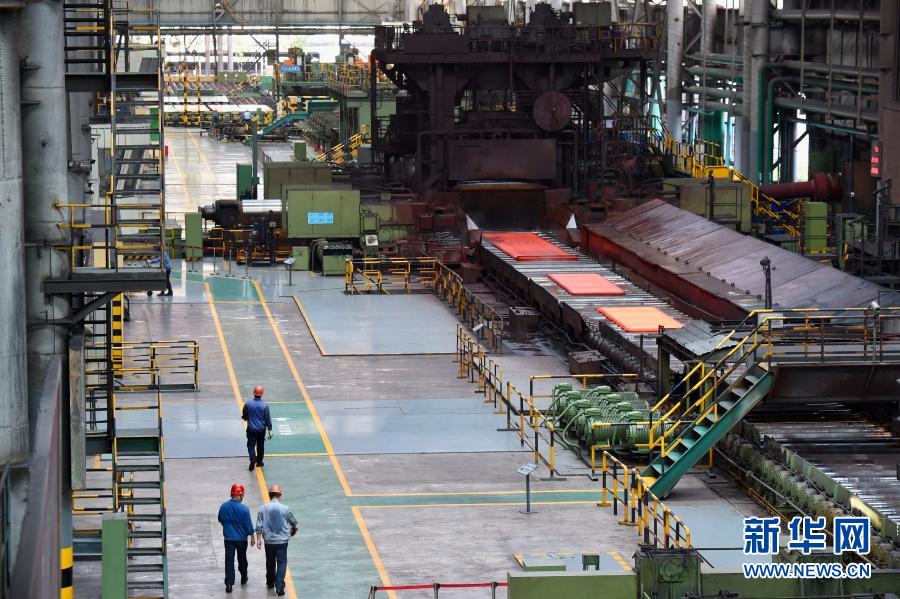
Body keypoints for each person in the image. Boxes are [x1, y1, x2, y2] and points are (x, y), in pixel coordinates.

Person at [255, 485, 298, 596]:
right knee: (282, 562)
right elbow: (293, 521)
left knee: (270, 562)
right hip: (282, 541)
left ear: (270, 495)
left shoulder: (262, 508)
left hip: (269, 541)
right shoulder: (285, 508)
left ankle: (270, 582)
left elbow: (259, 525)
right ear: (279, 495)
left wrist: (258, 538)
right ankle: (279, 587)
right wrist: (294, 527)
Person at [217, 484, 255, 593]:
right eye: (242, 494)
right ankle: (244, 576)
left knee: (229, 561)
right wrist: (252, 537)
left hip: (228, 539)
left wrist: (228, 528)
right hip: (241, 539)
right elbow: (248, 525)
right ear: (239, 495)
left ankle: (229, 584)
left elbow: (220, 519)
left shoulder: (224, 506)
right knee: (242, 559)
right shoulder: (244, 509)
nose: (243, 496)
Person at [242, 385, 272, 471]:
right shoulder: (265, 406)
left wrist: (246, 418)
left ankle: (252, 459)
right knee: (260, 445)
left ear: (253, 393)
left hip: (251, 429)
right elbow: (267, 418)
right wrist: (269, 429)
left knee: (251, 445)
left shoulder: (248, 404)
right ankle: (259, 462)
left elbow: (244, 414)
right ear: (262, 394)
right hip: (261, 430)